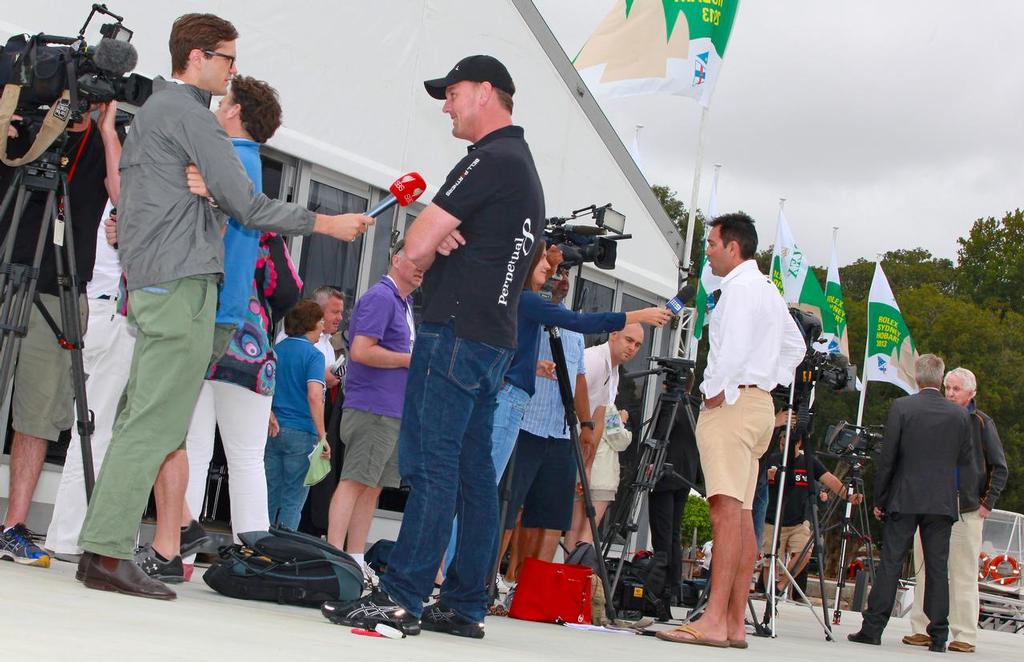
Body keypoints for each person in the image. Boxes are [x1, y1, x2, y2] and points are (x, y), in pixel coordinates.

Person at [74, 13, 371, 601]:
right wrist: (326, 222)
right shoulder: (192, 116)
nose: (233, 72)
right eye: (228, 60)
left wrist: (208, 199)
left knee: (143, 420)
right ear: (198, 57)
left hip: (157, 285)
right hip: (182, 288)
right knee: (154, 425)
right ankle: (106, 554)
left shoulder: (156, 112)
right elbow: (249, 205)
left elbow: (158, 201)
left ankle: (101, 548)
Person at [323, 54, 542, 638]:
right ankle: (466, 602)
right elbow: (470, 243)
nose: (445, 105)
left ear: (486, 92)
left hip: (454, 335)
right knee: (473, 475)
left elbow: (418, 240)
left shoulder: (489, 159)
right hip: (492, 341)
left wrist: (415, 250)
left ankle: (403, 595)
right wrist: (442, 238)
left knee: (432, 466)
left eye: (452, 92)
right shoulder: (521, 168)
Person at [134, 76, 305, 583]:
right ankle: (254, 562)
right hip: (251, 341)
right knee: (247, 456)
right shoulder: (253, 175)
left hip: (209, 316)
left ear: (234, 113)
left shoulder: (222, 163)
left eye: (223, 102)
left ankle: (175, 556)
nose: (215, 108)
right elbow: (289, 287)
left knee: (189, 440)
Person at [657, 212, 804, 648]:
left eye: (712, 244)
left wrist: (719, 389)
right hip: (758, 406)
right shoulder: (766, 289)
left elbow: (734, 346)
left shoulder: (738, 289)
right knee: (740, 517)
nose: (708, 252)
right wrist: (765, 379)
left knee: (724, 514)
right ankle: (735, 623)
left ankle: (714, 622)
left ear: (733, 247)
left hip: (735, 404)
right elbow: (795, 347)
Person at [0, 99, 121, 568]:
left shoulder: (106, 145)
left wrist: (109, 132)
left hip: (60, 287)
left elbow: (122, 192)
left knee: (37, 415)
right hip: (6, 268)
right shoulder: (24, 127)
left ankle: (13, 526)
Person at [848, 354, 973, 651]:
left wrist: (881, 497)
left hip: (904, 496)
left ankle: (873, 628)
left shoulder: (902, 407)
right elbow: (965, 461)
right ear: (941, 380)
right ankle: (939, 635)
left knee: (891, 562)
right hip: (941, 501)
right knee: (937, 568)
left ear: (917, 378)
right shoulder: (959, 415)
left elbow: (888, 457)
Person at [327, 240, 422, 581]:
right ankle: (336, 557)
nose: (423, 265)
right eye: (416, 258)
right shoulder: (381, 298)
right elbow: (362, 351)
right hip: (372, 408)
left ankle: (354, 556)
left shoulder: (404, 302)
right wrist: (410, 359)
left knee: (373, 486)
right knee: (355, 481)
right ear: (396, 259)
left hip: (391, 410)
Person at [43, 205, 132, 563]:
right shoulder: (129, 195)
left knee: (87, 428)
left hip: (81, 306)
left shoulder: (91, 192)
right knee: (97, 433)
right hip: (111, 314)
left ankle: (67, 534)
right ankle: (69, 536)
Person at [903, 367, 1008, 653]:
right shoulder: (932, 417)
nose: (950, 393)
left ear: (971, 393)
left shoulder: (982, 423)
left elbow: (999, 467)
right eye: (947, 387)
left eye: (956, 389)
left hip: (966, 510)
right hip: (929, 506)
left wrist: (986, 503)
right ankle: (922, 628)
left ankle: (964, 635)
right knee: (923, 570)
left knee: (962, 573)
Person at [565, 323, 647, 551]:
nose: (632, 348)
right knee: (586, 531)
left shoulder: (612, 374)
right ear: (613, 335)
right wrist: (622, 422)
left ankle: (571, 574)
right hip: (598, 474)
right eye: (629, 340)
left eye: (637, 344)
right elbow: (619, 439)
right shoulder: (594, 362)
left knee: (573, 528)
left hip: (589, 466)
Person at [760, 431, 862, 597]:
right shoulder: (772, 460)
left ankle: (780, 586)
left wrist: (848, 496)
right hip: (773, 520)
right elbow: (756, 477)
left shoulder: (809, 462)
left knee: (805, 552)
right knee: (769, 561)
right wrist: (767, 475)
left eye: (787, 440)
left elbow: (830, 479)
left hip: (798, 522)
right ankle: (769, 595)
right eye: (781, 440)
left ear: (798, 443)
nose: (783, 443)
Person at [266, 300, 330, 529]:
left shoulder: (275, 351)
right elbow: (314, 395)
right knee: (293, 501)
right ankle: (281, 555)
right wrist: (322, 435)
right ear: (310, 323)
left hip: (273, 429)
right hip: (303, 432)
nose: (323, 327)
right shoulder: (314, 356)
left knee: (269, 495)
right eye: (321, 321)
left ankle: (257, 549)